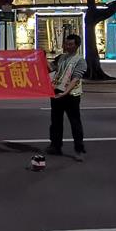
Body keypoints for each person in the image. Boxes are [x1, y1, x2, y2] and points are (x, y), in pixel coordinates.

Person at [46, 34, 88, 162]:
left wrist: (65, 93)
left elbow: (75, 79)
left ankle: (79, 150)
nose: (67, 46)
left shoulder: (80, 61)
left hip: (71, 96)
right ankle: (55, 146)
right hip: (56, 93)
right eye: (66, 44)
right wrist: (42, 58)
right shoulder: (61, 57)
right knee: (55, 122)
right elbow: (50, 68)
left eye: (70, 44)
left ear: (77, 46)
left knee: (75, 123)